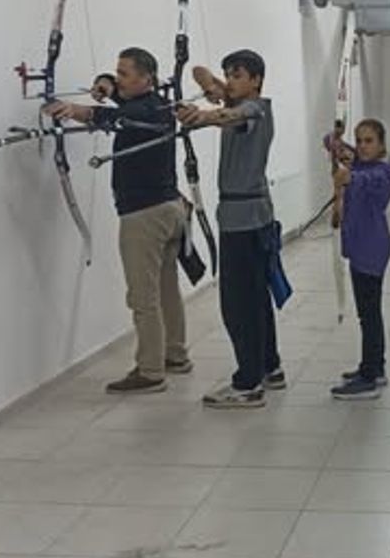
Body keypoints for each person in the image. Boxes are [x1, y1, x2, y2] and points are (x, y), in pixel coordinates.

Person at [44, 48, 192, 395]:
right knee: (167, 289)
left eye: (125, 73)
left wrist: (76, 111)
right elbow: (121, 102)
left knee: (143, 297)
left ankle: (151, 371)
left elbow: (119, 117)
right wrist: (106, 83)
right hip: (170, 210)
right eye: (118, 72)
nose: (119, 78)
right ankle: (175, 355)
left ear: (146, 78)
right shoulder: (158, 103)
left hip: (146, 216)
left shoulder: (144, 112)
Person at [175, 50, 283, 409]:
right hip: (246, 216)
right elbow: (197, 70)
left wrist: (205, 116)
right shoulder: (237, 99)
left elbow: (233, 116)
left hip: (245, 220)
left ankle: (248, 384)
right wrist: (214, 85)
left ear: (256, 80)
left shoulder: (255, 110)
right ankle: (269, 367)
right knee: (257, 298)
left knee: (239, 305)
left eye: (239, 75)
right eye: (229, 74)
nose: (232, 80)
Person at [331, 119, 390, 400]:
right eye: (359, 140)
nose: (362, 146)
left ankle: (369, 378)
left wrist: (348, 177)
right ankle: (375, 368)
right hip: (360, 246)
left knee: (369, 316)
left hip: (371, 248)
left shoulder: (385, 171)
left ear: (382, 143)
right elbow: (331, 144)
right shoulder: (360, 163)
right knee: (368, 314)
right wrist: (336, 137)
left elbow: (368, 181)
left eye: (369, 141)